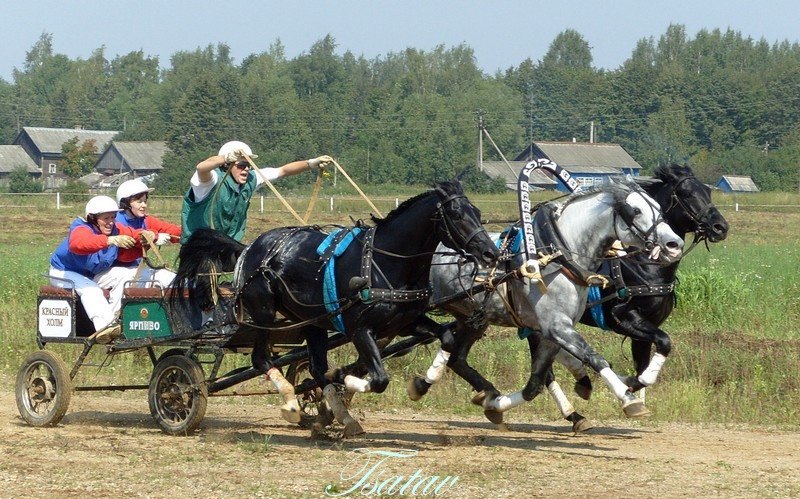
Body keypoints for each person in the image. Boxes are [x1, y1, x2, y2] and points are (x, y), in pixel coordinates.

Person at [180, 140, 333, 243]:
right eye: (241, 164)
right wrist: (224, 157)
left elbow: (283, 170)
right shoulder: (210, 180)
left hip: (227, 245)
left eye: (248, 165)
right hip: (199, 247)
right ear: (227, 165)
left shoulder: (252, 179)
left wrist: (311, 163)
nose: (246, 168)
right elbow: (201, 167)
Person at [49, 195, 153, 343]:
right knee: (91, 290)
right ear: (92, 219)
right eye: (106, 218)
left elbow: (133, 234)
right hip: (63, 272)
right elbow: (77, 244)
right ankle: (103, 328)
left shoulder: (115, 230)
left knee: (124, 274)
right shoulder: (81, 228)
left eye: (113, 217)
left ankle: (115, 321)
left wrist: (149, 235)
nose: (111, 222)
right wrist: (109, 240)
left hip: (89, 275)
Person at [116, 178, 181, 288]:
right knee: (164, 280)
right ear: (125, 203)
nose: (144, 205)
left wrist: (192, 231)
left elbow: (172, 231)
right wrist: (154, 237)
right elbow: (124, 255)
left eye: (145, 201)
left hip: (135, 269)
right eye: (139, 201)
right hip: (114, 271)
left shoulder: (145, 220)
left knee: (174, 279)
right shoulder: (116, 221)